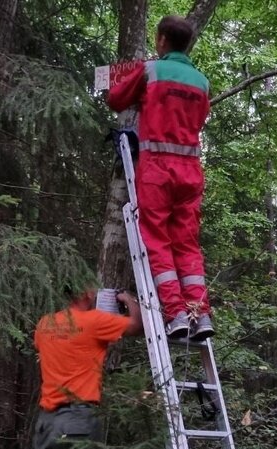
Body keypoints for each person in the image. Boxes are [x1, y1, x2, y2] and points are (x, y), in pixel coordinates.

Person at [107, 15, 214, 341]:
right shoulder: (202, 81)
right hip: (190, 170)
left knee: (157, 241)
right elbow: (198, 118)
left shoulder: (151, 70)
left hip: (157, 170)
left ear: (162, 40)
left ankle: (176, 314)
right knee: (186, 244)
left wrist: (139, 90)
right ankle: (200, 314)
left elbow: (115, 100)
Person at [13, 284, 142, 449]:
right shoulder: (94, 321)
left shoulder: (45, 324)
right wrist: (128, 300)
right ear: (87, 293)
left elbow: (43, 347)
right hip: (78, 421)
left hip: (46, 423)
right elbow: (138, 326)